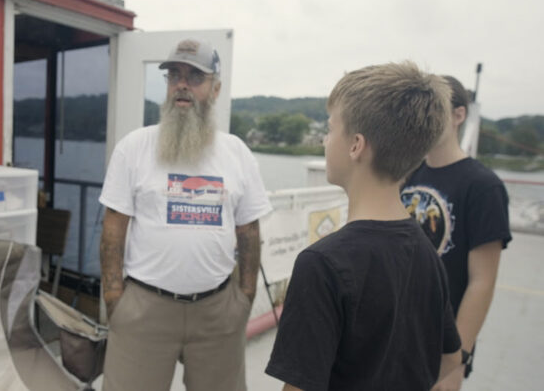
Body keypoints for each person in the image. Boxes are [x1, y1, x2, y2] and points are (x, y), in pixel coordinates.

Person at [265, 62, 463, 390]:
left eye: (330, 129)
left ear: (356, 145)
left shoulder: (322, 263)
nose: (325, 141)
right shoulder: (428, 252)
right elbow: (451, 359)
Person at [98, 38, 272, 391]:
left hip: (218, 310)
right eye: (174, 74)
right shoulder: (134, 147)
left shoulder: (236, 153)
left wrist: (244, 299)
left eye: (195, 76)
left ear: (216, 88)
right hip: (144, 309)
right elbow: (114, 228)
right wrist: (116, 299)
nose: (182, 84)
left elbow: (249, 230)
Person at [401, 75, 512, 390]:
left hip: (441, 340)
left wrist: (456, 358)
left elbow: (482, 281)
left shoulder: (483, 186)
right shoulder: (406, 176)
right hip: (396, 333)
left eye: (433, 109)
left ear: (458, 115)